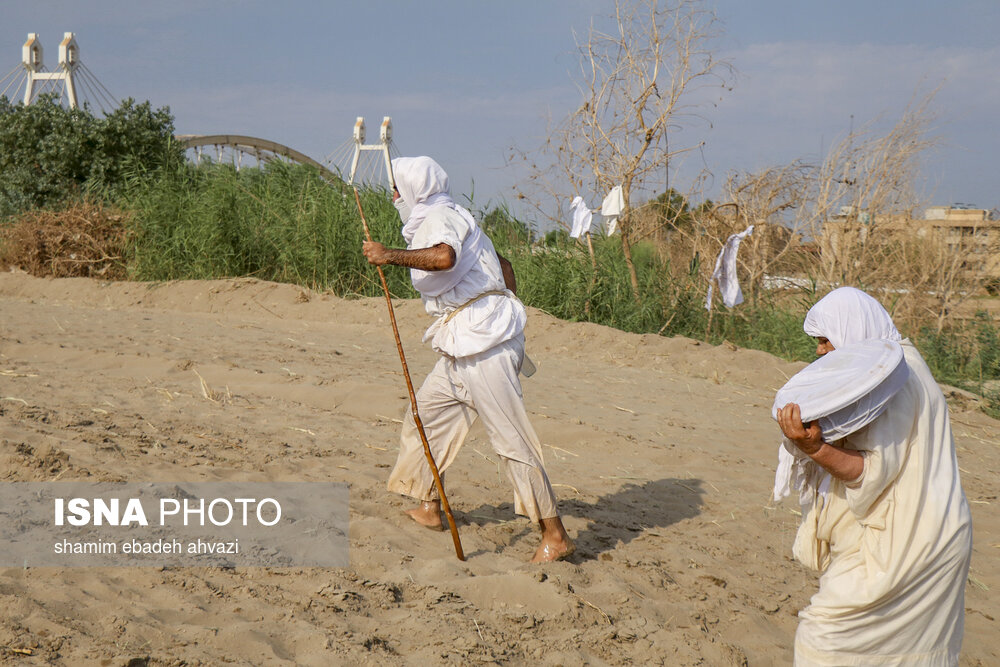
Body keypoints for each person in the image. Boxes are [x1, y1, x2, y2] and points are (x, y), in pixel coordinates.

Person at [361, 156, 574, 563]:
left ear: (413, 189)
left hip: (485, 345)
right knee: (425, 414)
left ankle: (555, 535)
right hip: (465, 342)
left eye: (395, 189)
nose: (392, 197)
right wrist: (498, 305)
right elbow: (505, 268)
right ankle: (429, 505)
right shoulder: (454, 215)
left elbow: (444, 258)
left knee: (511, 439)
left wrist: (388, 255)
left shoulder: (441, 217)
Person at [776, 287, 973, 666]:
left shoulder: (892, 381)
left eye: (824, 340)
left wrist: (815, 448)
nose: (819, 350)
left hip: (908, 544)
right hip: (931, 535)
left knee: (824, 641)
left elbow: (871, 472)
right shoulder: (901, 365)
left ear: (852, 330)